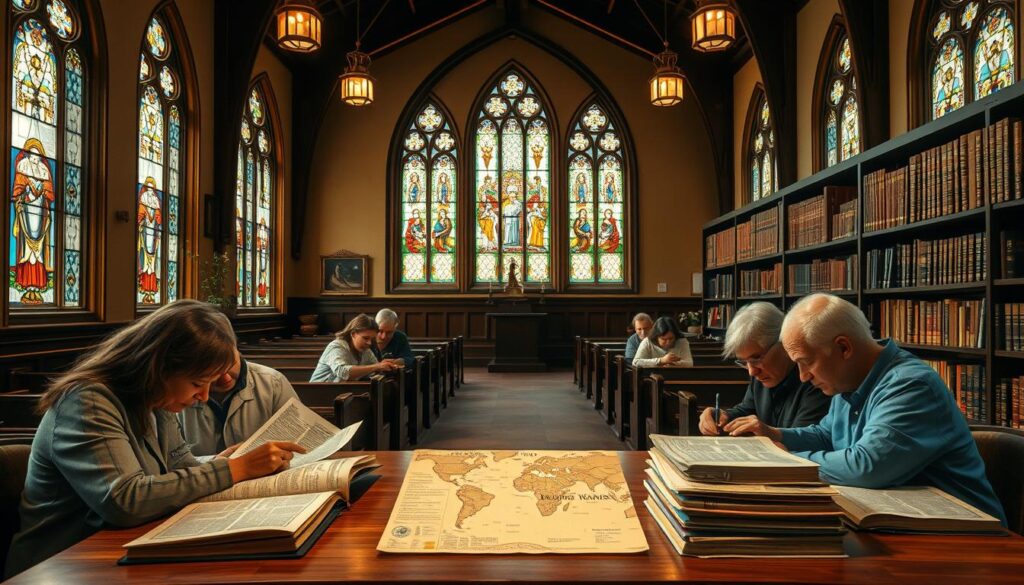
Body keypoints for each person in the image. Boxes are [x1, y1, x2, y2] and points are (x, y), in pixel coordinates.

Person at [4, 300, 306, 578]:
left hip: (126, 552)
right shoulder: (87, 401)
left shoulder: (155, 400)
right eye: (197, 384)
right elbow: (124, 500)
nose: (202, 398)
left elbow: (180, 464)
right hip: (61, 566)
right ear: (159, 366)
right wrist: (236, 469)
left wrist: (222, 460)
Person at [746, 293, 1006, 524]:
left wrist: (787, 461)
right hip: (906, 521)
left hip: (967, 536)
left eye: (806, 362)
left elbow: (867, 466)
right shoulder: (848, 380)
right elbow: (827, 435)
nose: (803, 376)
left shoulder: (910, 384)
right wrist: (775, 435)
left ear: (843, 348)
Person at [698, 302, 831, 436]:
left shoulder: (814, 379)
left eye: (756, 358)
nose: (752, 371)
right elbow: (747, 410)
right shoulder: (763, 375)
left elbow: (802, 440)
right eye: (744, 362)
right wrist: (722, 417)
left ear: (784, 343)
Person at [178, 347, 299, 458]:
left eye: (231, 364)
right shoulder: (176, 394)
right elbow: (170, 462)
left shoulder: (273, 382)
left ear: (237, 350)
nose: (226, 378)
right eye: (215, 372)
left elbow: (298, 442)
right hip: (203, 479)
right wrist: (214, 463)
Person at [310, 314, 401, 382]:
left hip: (342, 395)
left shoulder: (366, 350)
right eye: (365, 338)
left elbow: (375, 369)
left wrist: (388, 366)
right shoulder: (336, 346)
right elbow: (343, 372)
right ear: (353, 334)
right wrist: (377, 366)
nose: (369, 343)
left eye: (372, 339)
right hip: (318, 394)